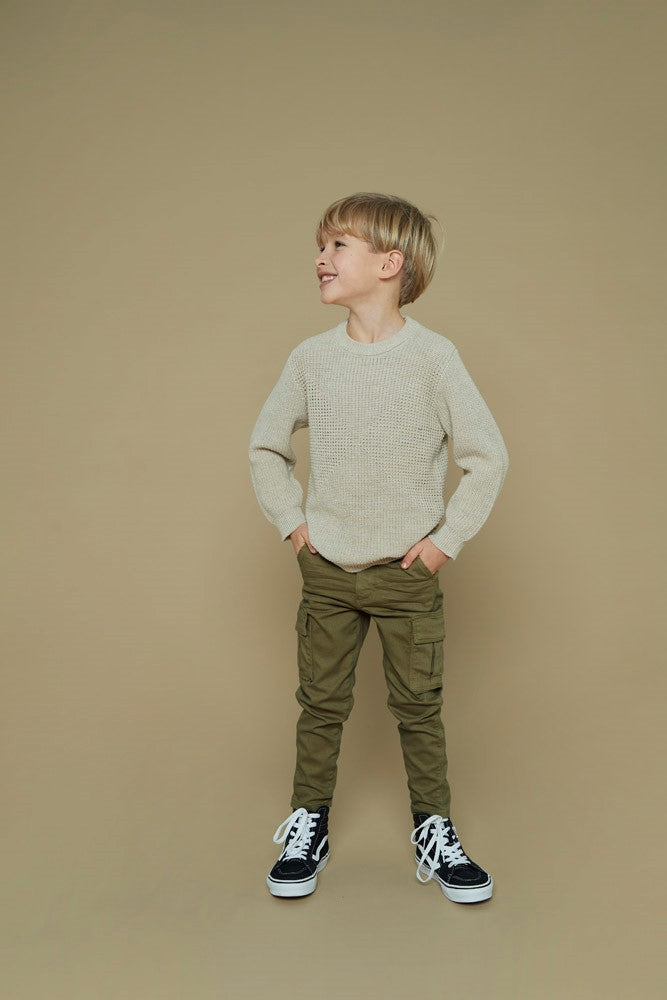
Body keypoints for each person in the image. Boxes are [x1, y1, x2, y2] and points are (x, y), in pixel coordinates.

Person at [248, 192, 509, 904]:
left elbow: (487, 456)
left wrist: (444, 543)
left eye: (338, 246)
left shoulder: (433, 358)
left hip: (406, 575)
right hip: (327, 571)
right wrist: (293, 523)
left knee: (418, 709)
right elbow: (266, 446)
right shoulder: (311, 360)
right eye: (321, 246)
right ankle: (309, 824)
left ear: (389, 264)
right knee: (320, 705)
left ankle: (434, 828)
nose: (320, 258)